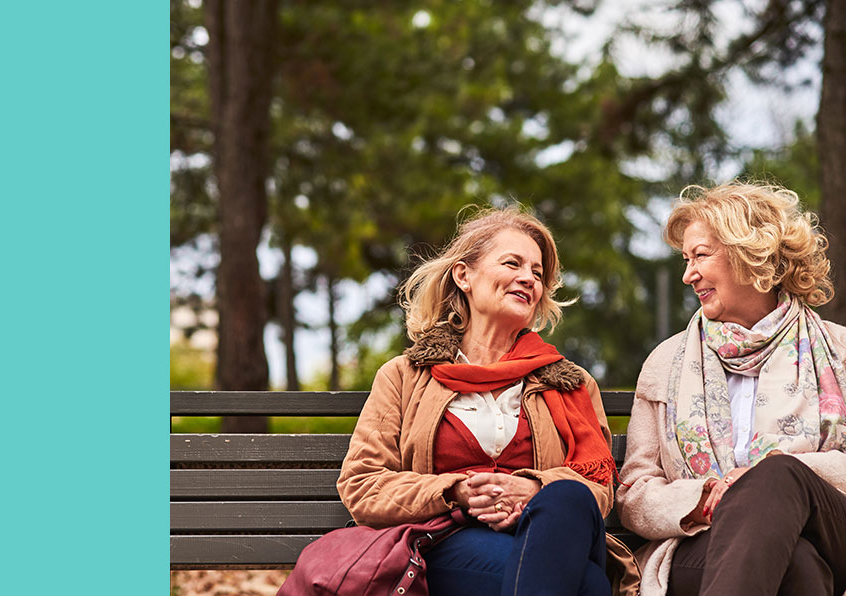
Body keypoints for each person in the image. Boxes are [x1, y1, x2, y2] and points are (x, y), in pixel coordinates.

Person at [338, 206, 638, 596]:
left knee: (567, 496)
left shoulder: (569, 382)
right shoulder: (404, 376)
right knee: (588, 584)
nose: (528, 279)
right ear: (464, 275)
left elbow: (597, 488)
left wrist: (533, 489)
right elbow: (363, 484)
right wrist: (455, 491)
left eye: (537, 273)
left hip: (555, 533)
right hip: (450, 537)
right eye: (512, 263)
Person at [616, 182, 846, 596]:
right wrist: (703, 498)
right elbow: (635, 493)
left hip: (833, 533)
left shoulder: (840, 351)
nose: (688, 274)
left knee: (776, 476)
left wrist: (772, 477)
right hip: (703, 542)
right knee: (798, 566)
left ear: (750, 253)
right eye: (686, 260)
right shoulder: (666, 363)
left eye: (700, 255)